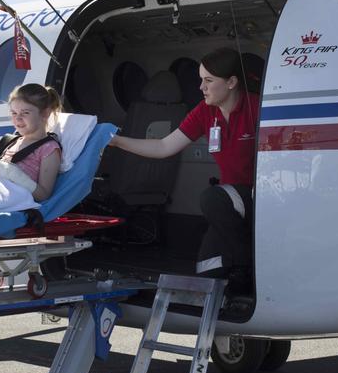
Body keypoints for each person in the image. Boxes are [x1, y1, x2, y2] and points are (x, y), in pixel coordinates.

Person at [108, 48, 259, 296]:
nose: (201, 87)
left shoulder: (257, 108)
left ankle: (245, 265)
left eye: (209, 81)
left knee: (211, 197)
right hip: (231, 202)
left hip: (260, 197)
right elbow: (164, 146)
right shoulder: (205, 111)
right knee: (208, 270)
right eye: (201, 79)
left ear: (231, 82)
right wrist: (116, 141)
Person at [0, 83, 63, 202]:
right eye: (14, 113)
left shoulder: (48, 149)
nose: (18, 118)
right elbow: (1, 170)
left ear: (45, 113)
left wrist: (12, 173)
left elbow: (43, 195)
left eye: (25, 113)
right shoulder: (11, 141)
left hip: (2, 198)